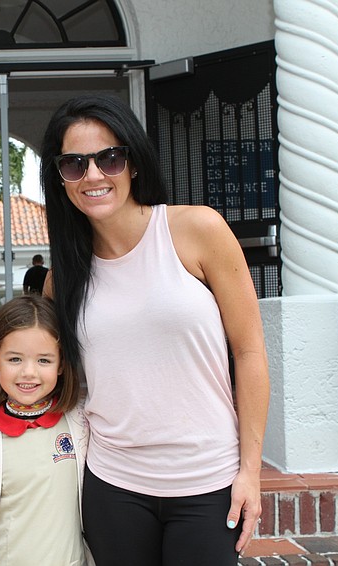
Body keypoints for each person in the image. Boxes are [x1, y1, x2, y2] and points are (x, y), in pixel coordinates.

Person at [40, 94, 270, 565]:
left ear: (134, 163)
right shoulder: (63, 276)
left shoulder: (196, 230)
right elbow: (53, 375)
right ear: (60, 178)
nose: (94, 175)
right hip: (113, 483)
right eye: (74, 164)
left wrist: (251, 471)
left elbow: (249, 352)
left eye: (110, 158)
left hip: (207, 480)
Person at [0, 294, 90, 565]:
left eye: (44, 360)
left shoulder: (81, 423)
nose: (29, 372)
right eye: (15, 359)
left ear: (62, 363)